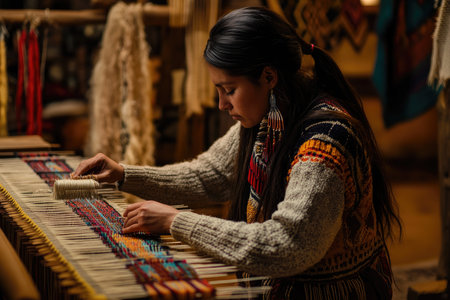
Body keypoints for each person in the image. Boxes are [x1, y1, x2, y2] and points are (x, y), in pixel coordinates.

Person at [73, 6, 401, 299]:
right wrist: (123, 175)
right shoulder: (268, 122)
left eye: (229, 90)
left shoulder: (325, 143)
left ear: (269, 77)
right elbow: (208, 176)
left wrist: (175, 221)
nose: (222, 104)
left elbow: (287, 244)